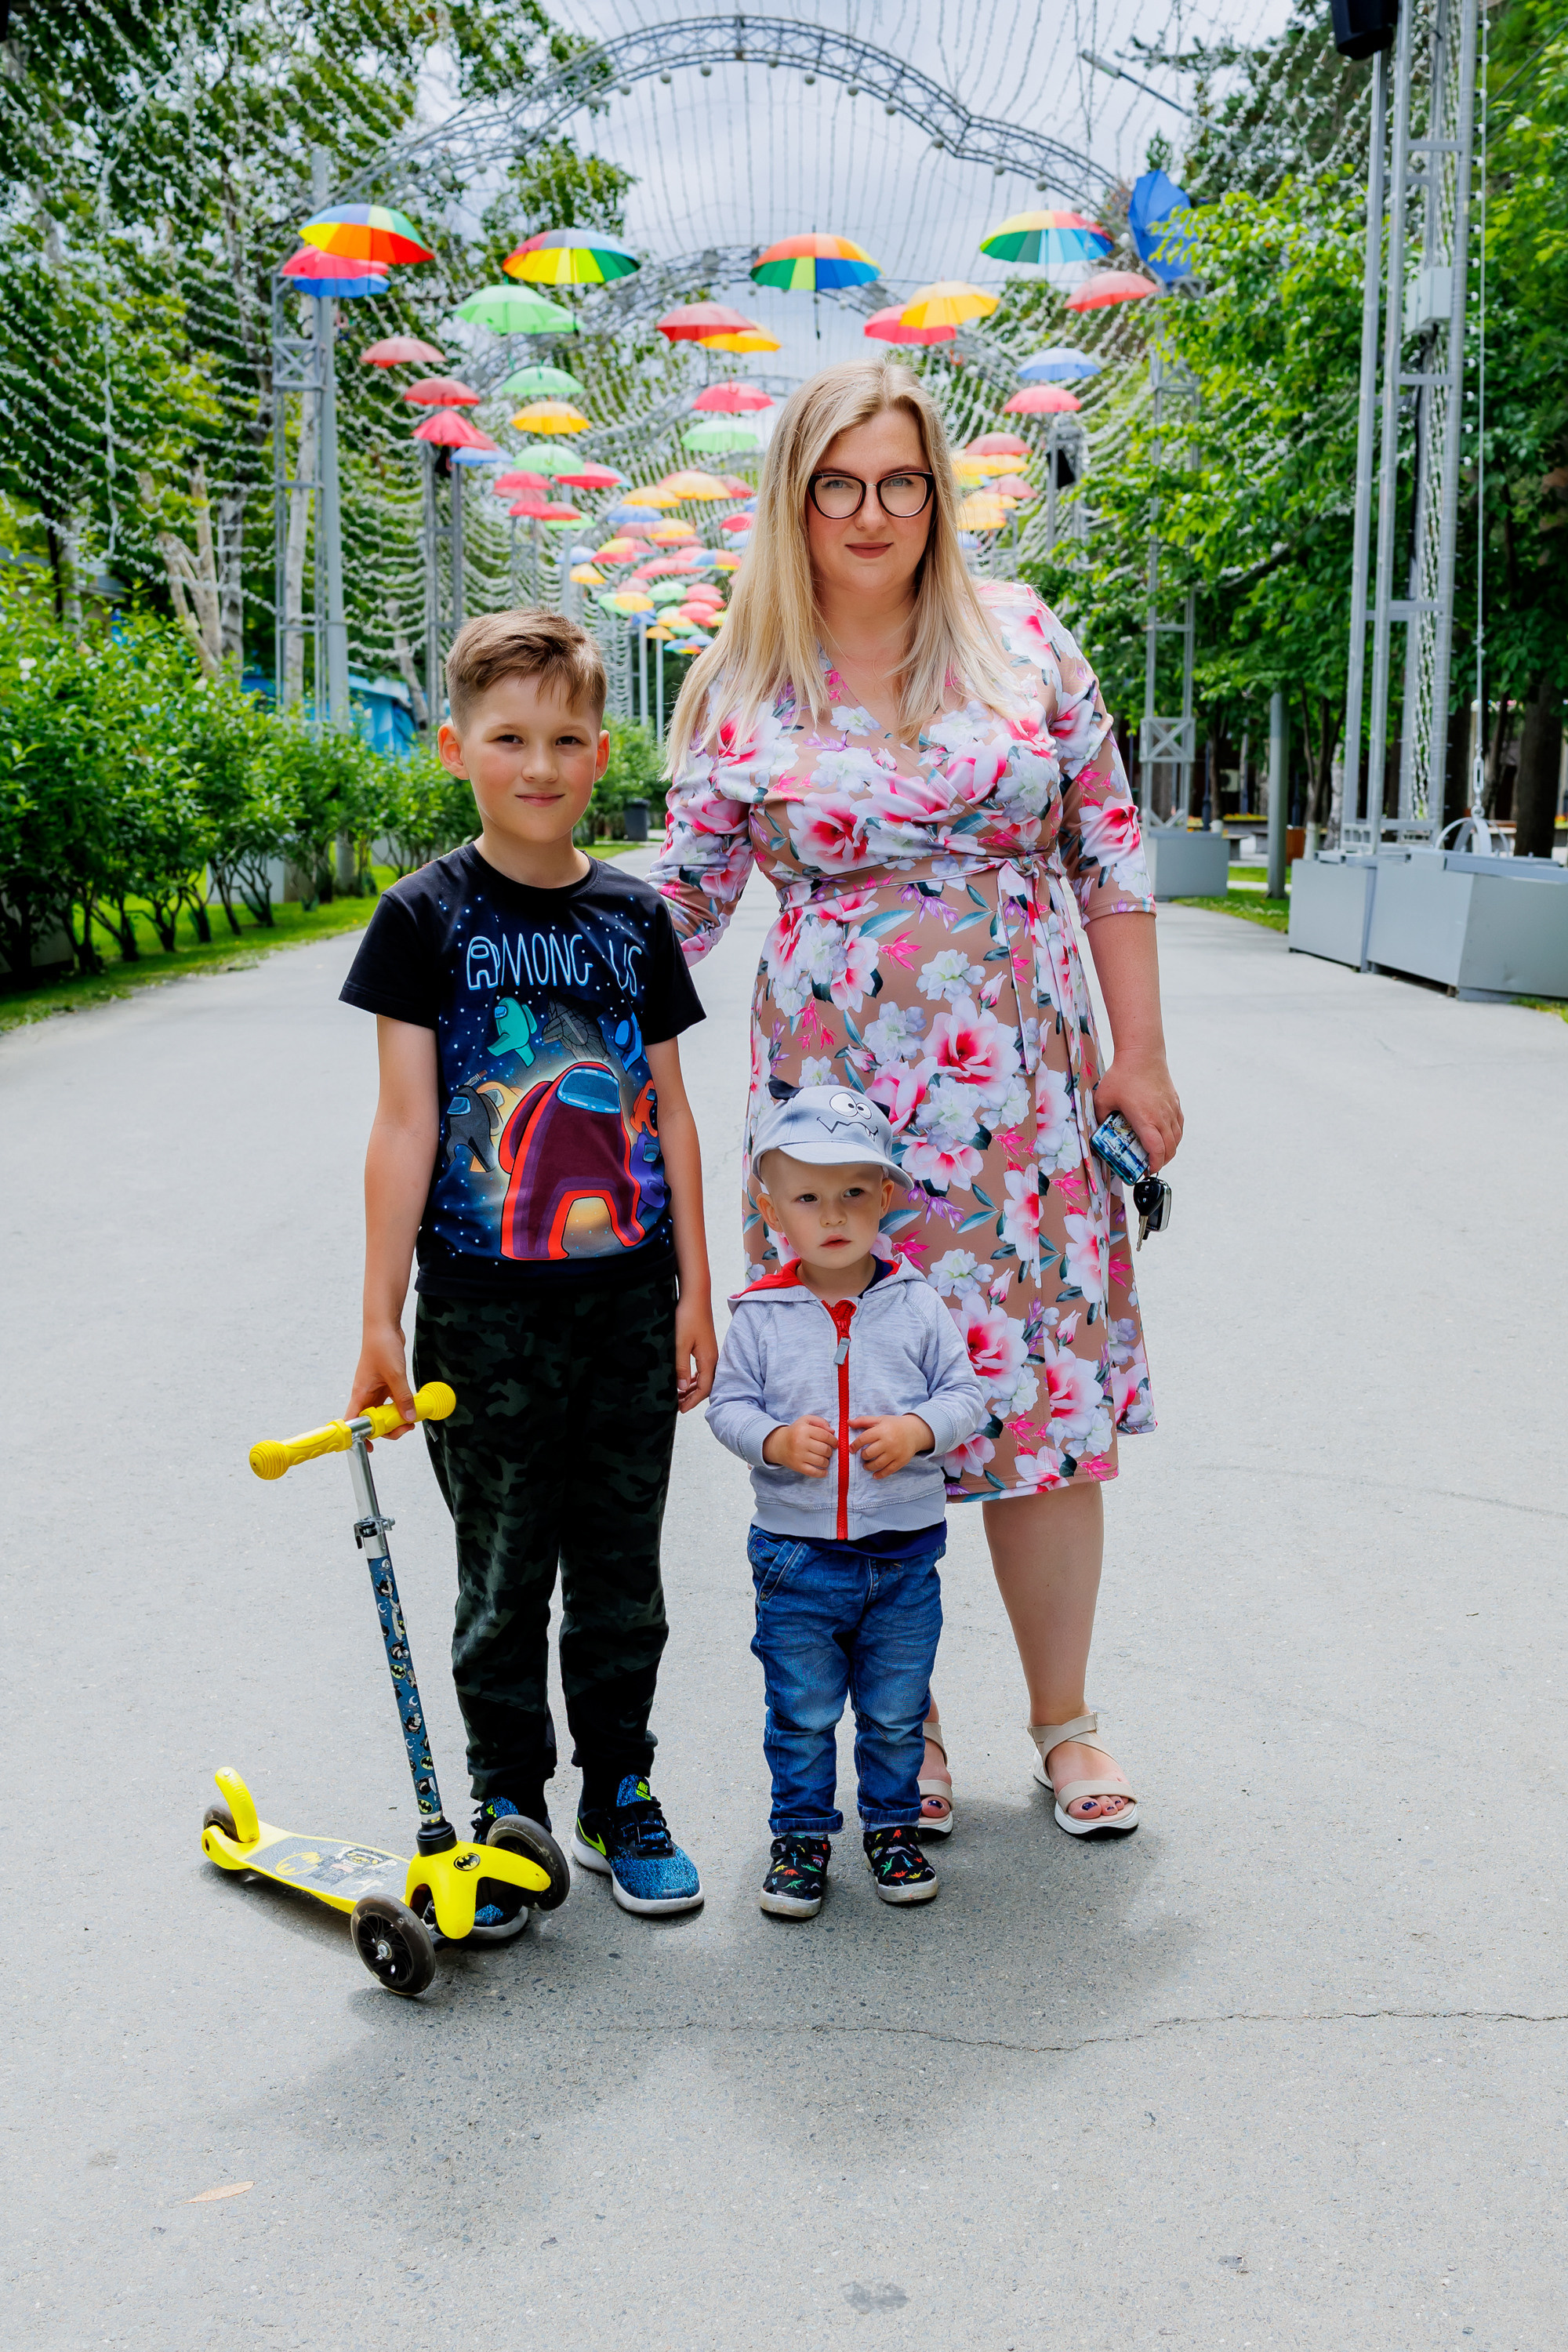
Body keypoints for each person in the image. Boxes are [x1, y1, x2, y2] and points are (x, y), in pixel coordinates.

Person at [651, 361, 1183, 1842]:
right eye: (839, 485)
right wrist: (521, 958)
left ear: (937, 495)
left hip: (1022, 1100)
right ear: (794, 503)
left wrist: (1139, 1057)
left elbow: (1109, 852)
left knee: (1038, 1405)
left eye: (902, 483)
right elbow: (679, 915)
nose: (872, 513)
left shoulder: (1018, 640)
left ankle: (1067, 1725)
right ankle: (909, 1725)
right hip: (838, 1125)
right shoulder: (740, 681)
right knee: (872, 1401)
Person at [341, 609, 716, 1922]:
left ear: (601, 755)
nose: (540, 765)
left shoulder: (634, 916)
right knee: (503, 1582)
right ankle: (507, 1813)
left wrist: (697, 1293)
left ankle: (623, 1791)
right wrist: (380, 1318)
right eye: (510, 738)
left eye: (566, 740)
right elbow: (404, 1124)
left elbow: (668, 1113)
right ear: (456, 748)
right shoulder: (420, 920)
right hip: (482, 1315)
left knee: (624, 1575)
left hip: (627, 1307)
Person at [706, 1086, 987, 1918]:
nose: (831, 1214)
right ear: (772, 1208)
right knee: (798, 1711)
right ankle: (799, 1837)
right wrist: (772, 1442)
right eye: (807, 1198)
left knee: (896, 1709)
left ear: (886, 1197)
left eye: (852, 1194)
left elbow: (966, 1395)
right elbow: (727, 1406)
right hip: (796, 1558)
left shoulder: (916, 1306)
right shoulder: (758, 1316)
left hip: (903, 1555)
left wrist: (917, 1430)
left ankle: (891, 1829)